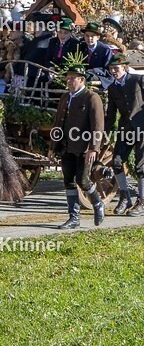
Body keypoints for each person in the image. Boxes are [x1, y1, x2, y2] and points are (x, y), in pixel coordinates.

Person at [52, 65, 106, 229]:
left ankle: (97, 203)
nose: (68, 81)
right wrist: (52, 147)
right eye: (67, 78)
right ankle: (73, 217)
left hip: (84, 148)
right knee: (68, 181)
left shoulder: (92, 97)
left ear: (81, 80)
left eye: (72, 78)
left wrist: (94, 148)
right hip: (66, 146)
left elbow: (97, 126)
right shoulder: (64, 98)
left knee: (83, 180)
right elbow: (58, 123)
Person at [105, 54, 144, 216]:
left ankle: (141, 201)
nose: (114, 71)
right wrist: (105, 133)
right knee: (116, 162)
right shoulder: (112, 88)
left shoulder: (137, 80)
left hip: (142, 127)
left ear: (125, 68)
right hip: (125, 130)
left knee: (140, 166)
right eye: (111, 69)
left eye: (116, 68)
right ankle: (125, 196)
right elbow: (111, 114)